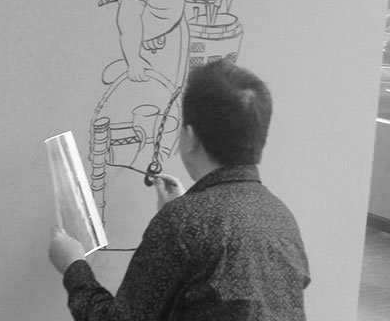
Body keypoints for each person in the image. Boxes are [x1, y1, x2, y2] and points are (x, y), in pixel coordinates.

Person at [49, 58, 311, 320]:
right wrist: (187, 209)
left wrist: (73, 266)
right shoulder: (281, 219)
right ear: (262, 140)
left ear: (190, 137)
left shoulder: (181, 224)